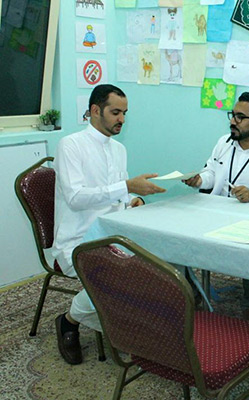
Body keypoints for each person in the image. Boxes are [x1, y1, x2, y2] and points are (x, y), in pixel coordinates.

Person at [53, 84, 165, 365]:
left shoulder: (118, 149)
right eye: (116, 112)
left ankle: (130, 326)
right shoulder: (71, 145)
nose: (122, 119)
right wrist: (126, 187)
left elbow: (119, 194)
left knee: (159, 264)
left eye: (124, 113)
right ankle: (69, 321)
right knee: (118, 277)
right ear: (95, 110)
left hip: (114, 234)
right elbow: (76, 198)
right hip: (79, 239)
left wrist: (134, 199)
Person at [184, 92, 249, 324]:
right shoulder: (223, 143)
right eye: (232, 115)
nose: (232, 121)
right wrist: (200, 180)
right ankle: (192, 293)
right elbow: (211, 173)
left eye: (240, 117)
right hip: (216, 213)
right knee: (178, 237)